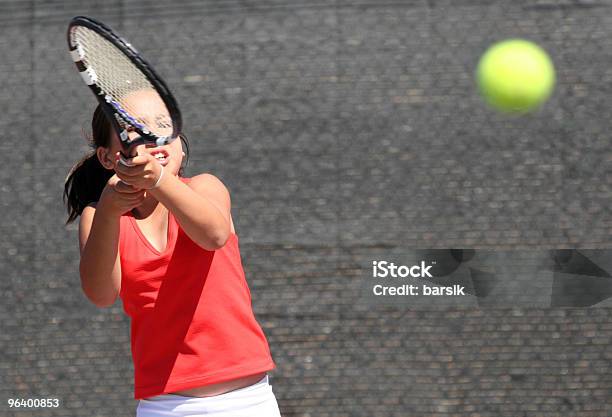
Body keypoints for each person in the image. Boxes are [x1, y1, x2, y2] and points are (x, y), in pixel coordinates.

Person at [64, 103, 281, 417]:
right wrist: (110, 211)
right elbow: (101, 294)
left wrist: (157, 180)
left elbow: (214, 235)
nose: (153, 136)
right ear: (108, 157)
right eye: (136, 128)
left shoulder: (206, 186)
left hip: (247, 401)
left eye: (163, 125)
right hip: (165, 407)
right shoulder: (98, 216)